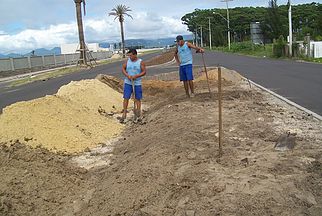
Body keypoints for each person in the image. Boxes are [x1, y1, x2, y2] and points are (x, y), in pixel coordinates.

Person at [120, 48, 146, 123]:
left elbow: (144, 72)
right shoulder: (128, 62)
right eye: (129, 56)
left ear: (135, 55)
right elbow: (123, 69)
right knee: (126, 97)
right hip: (128, 82)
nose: (130, 57)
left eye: (131, 55)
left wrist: (136, 76)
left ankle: (138, 113)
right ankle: (124, 113)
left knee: (137, 98)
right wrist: (127, 75)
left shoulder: (140, 62)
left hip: (137, 83)